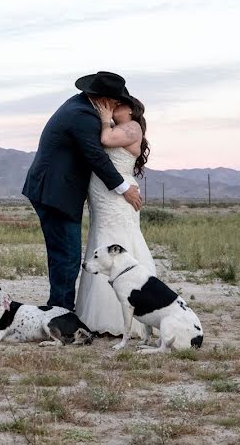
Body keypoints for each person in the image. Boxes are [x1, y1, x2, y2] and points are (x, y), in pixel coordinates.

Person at [22, 71, 142, 311]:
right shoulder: (82, 115)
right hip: (55, 192)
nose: (118, 106)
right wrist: (123, 188)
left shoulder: (79, 107)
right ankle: (61, 312)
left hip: (56, 190)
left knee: (64, 254)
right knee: (66, 255)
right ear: (105, 99)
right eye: (116, 101)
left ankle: (60, 308)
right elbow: (95, 156)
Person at [75, 95, 157, 339]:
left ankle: (123, 315)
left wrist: (103, 119)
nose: (112, 107)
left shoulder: (132, 128)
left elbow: (105, 140)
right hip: (103, 196)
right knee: (101, 242)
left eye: (118, 104)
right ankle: (97, 314)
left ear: (131, 110)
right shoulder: (118, 127)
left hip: (118, 197)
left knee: (119, 242)